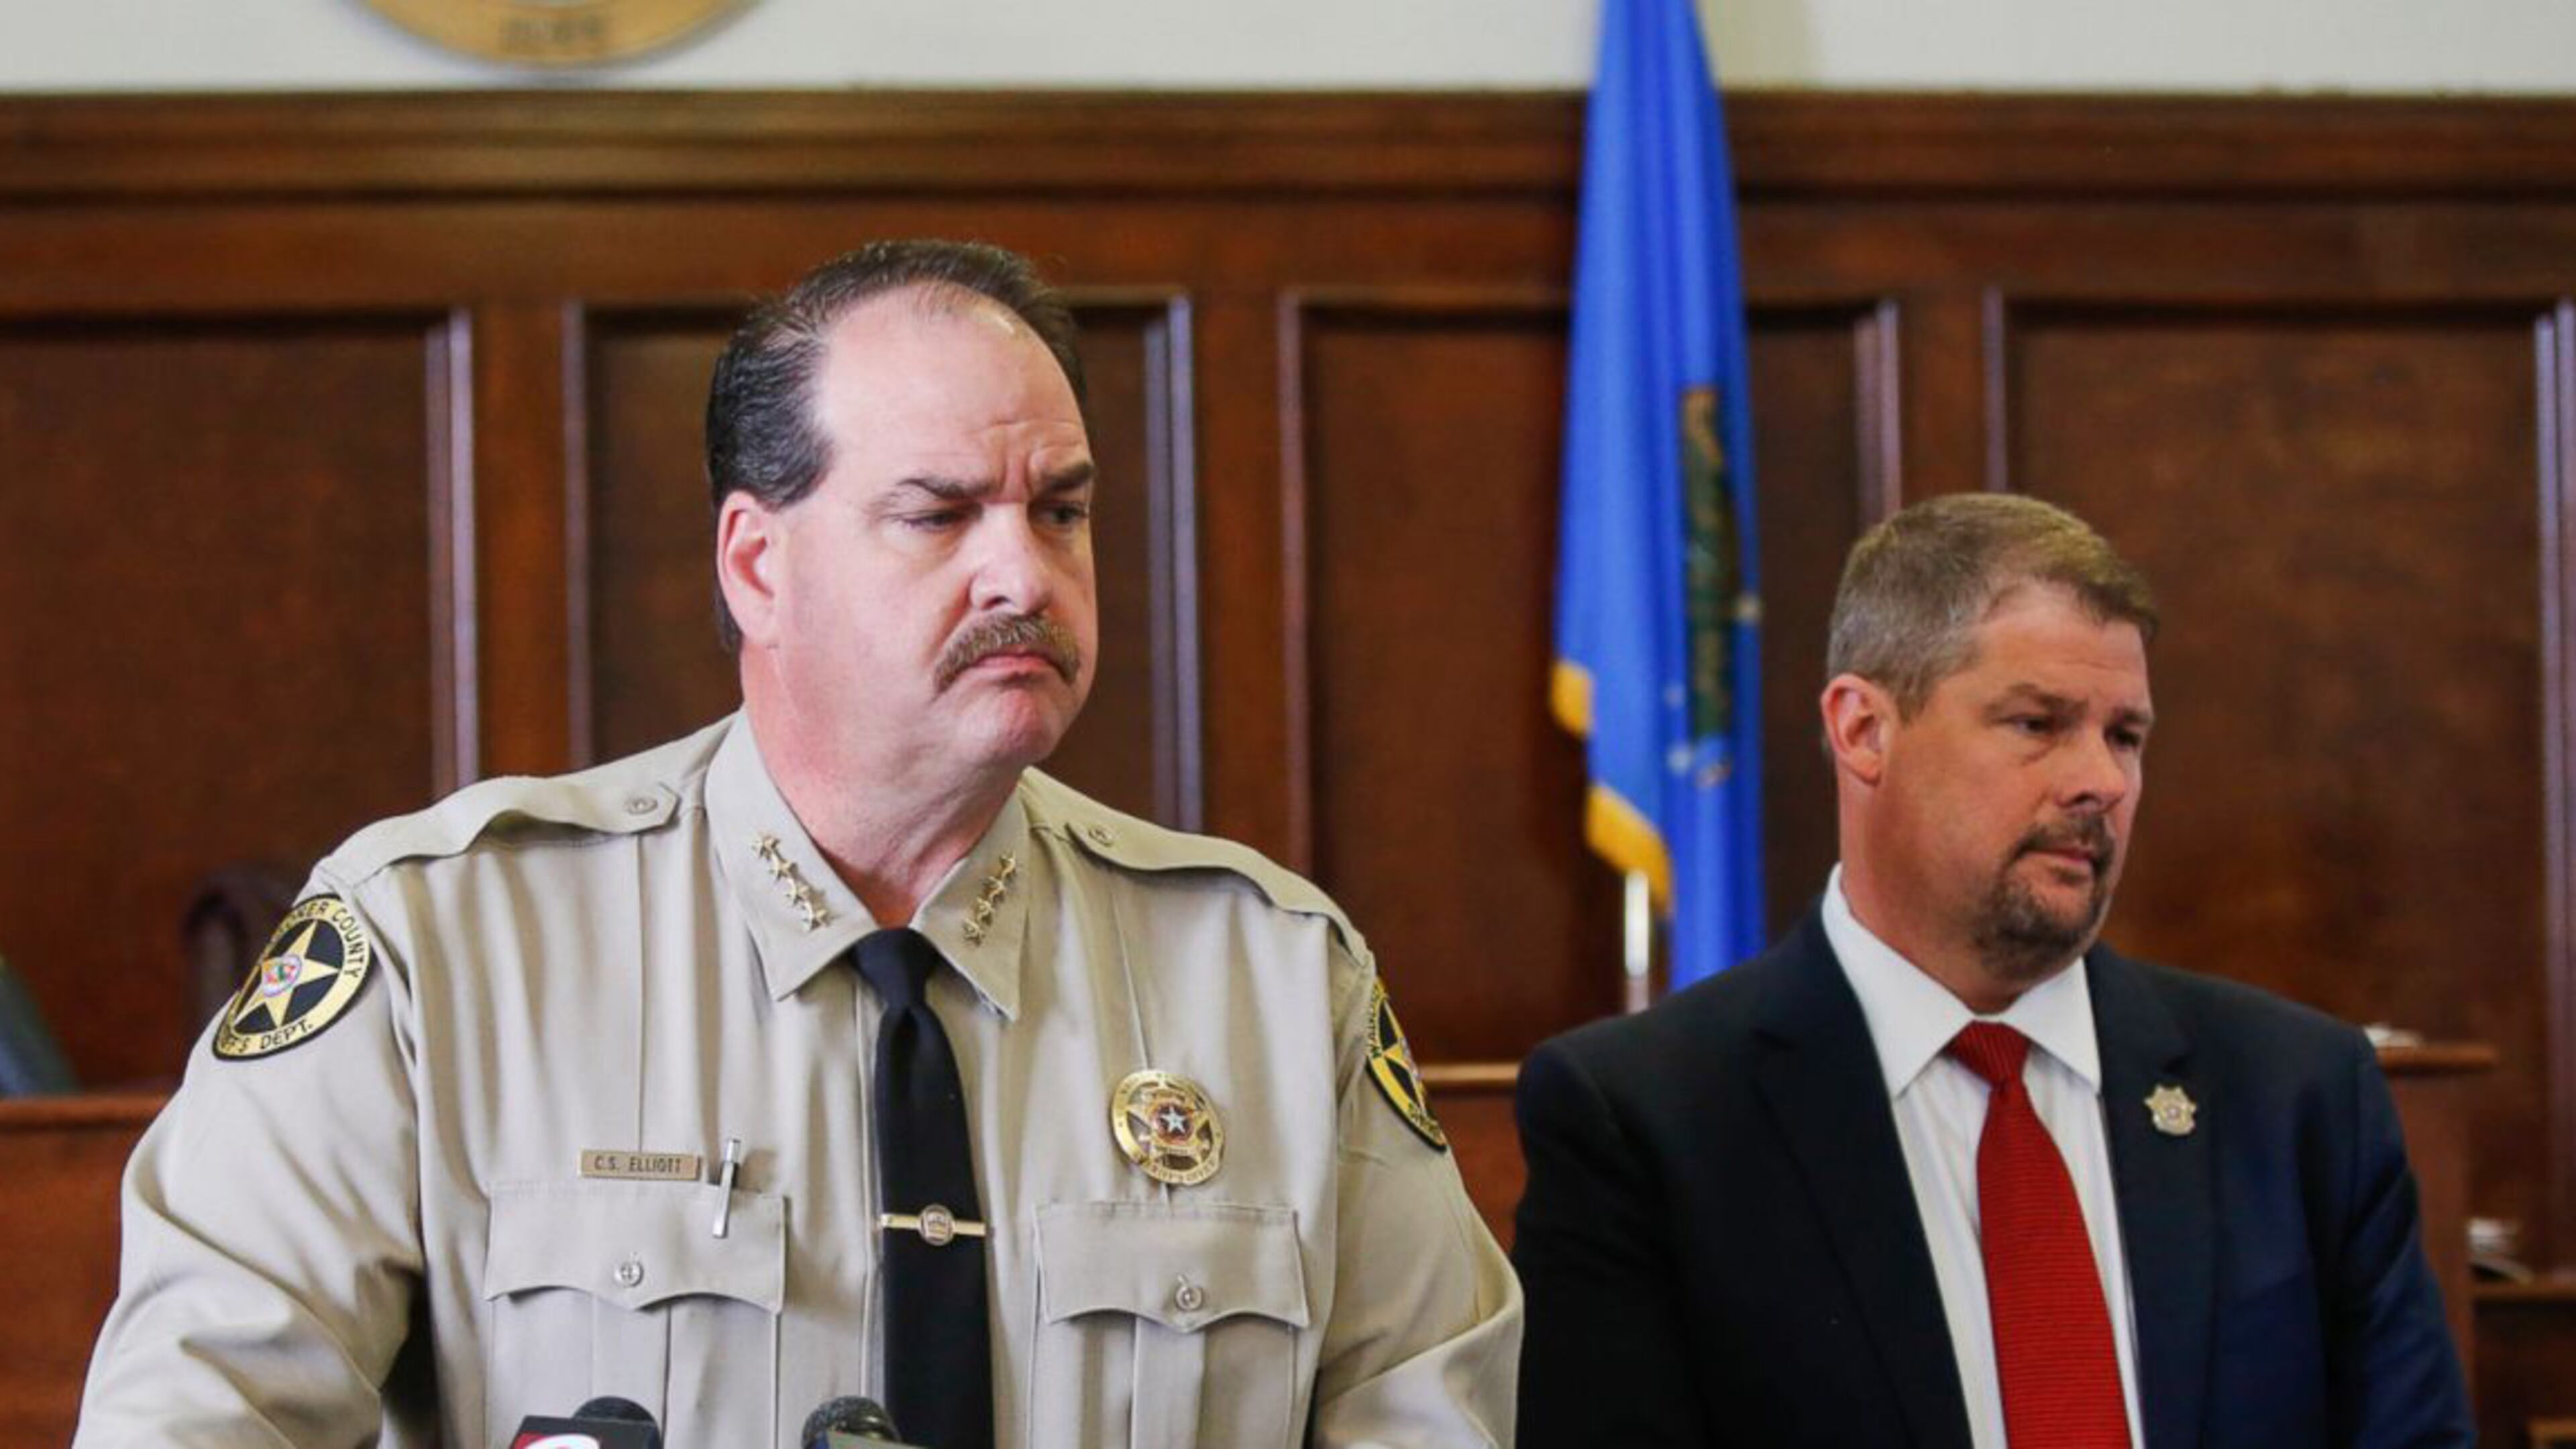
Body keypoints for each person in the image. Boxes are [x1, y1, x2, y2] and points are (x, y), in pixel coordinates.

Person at [74, 239, 1519, 1448]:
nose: (1024, 570)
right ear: (759, 564)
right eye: (940, 514)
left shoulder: (1270, 974)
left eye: (1060, 510)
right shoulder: (441, 946)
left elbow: (1436, 1419)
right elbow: (196, 1417)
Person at [1513, 494, 2470, 1448]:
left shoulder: (2298, 1097)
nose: (2100, 780)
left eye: (2125, 736)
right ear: (1862, 731)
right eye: (2037, 723)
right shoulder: (1650, 1120)